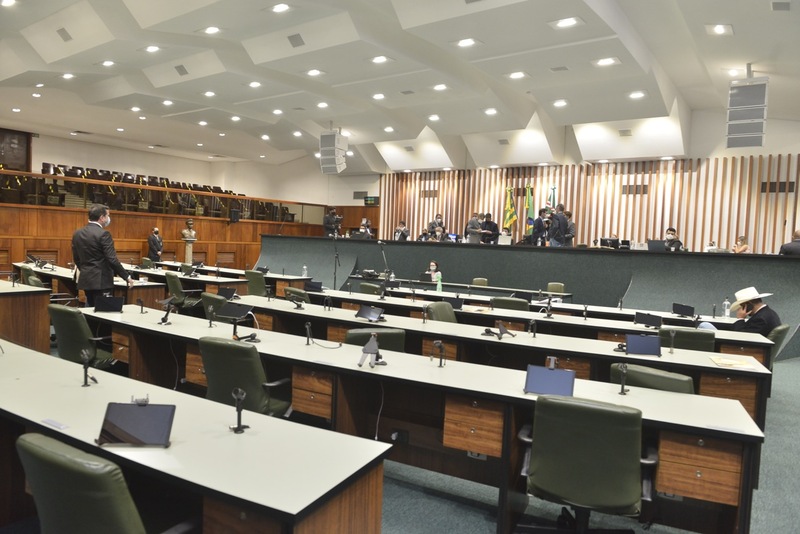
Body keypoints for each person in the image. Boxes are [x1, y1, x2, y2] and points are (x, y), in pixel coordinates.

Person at [71, 204, 134, 306]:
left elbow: (76, 258)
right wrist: (126, 276)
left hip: (86, 279)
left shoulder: (77, 233)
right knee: (103, 311)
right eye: (108, 215)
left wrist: (87, 270)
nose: (109, 218)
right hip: (101, 281)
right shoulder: (104, 234)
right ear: (102, 217)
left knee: (90, 308)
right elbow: (112, 259)